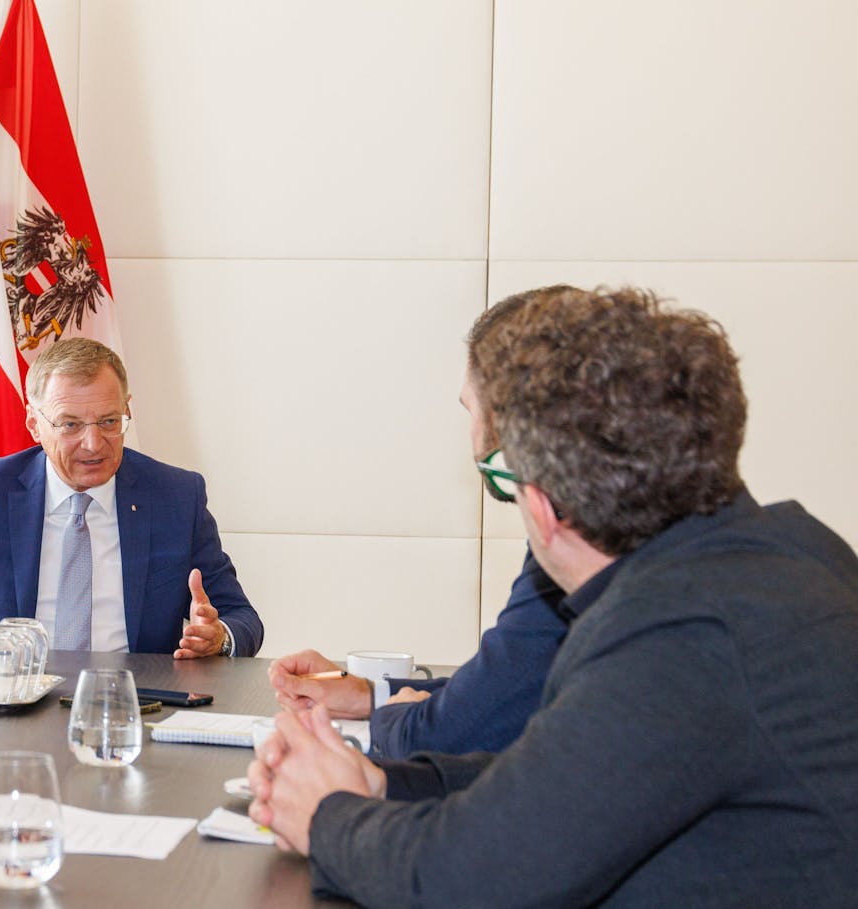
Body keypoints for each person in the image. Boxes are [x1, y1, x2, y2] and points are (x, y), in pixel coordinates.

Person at [250, 286, 858, 906]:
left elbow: (466, 882)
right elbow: (570, 783)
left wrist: (328, 815)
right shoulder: (790, 551)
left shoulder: (683, 634)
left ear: (539, 507)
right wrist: (385, 785)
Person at [268, 292, 569, 758]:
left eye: (470, 410)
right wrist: (371, 695)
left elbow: (456, 730)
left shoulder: (569, 535)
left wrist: (392, 718)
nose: (470, 438)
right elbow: (510, 687)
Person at [0, 337, 262, 658]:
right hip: (8, 703)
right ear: (34, 425)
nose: (94, 444)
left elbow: (241, 617)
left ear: (127, 411)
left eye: (109, 421)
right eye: (70, 425)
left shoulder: (176, 497)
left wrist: (219, 638)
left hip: (133, 707)